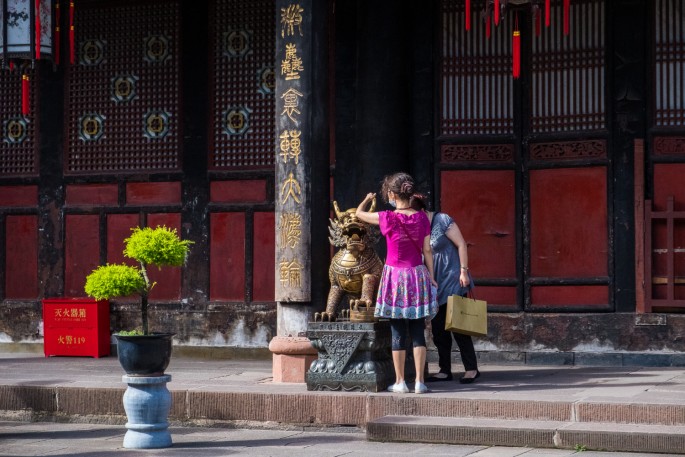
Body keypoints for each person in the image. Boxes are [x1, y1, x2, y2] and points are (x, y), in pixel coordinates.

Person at [355, 172, 438, 394]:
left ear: (391, 194)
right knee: (418, 330)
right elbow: (427, 250)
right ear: (410, 193)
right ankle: (420, 382)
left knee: (398, 331)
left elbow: (358, 214)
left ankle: (400, 382)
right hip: (417, 275)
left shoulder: (387, 217)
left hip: (394, 276)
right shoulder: (422, 217)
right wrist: (431, 276)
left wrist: (366, 199)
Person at [413, 194, 480, 384]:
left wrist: (464, 271)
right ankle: (445, 369)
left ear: (422, 211)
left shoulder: (441, 220)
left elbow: (461, 245)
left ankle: (471, 369)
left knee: (459, 326)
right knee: (438, 329)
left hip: (452, 278)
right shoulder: (416, 227)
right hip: (434, 283)